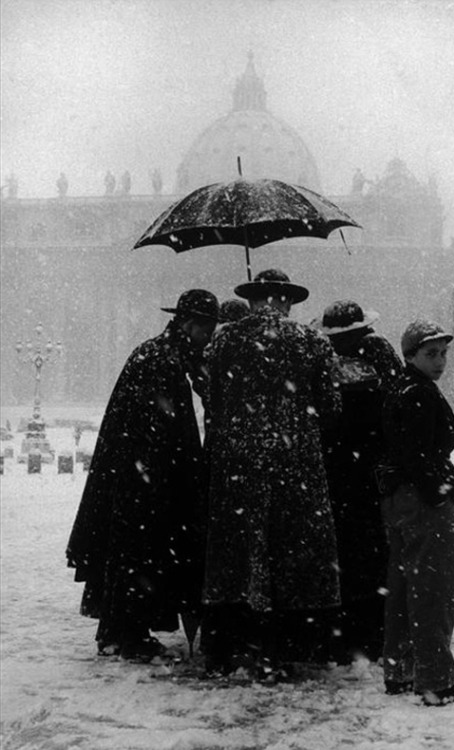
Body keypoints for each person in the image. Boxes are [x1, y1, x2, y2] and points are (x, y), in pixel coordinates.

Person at [202, 268, 342, 678]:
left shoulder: (224, 340)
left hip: (236, 466)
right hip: (293, 466)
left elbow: (213, 402)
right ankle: (275, 650)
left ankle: (223, 648)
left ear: (250, 301)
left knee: (234, 555)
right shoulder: (312, 342)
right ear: (287, 301)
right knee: (286, 555)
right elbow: (331, 407)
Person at [66, 289, 219, 662]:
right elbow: (164, 429)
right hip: (144, 481)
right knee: (138, 556)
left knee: (132, 555)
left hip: (135, 477)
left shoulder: (161, 354)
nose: (209, 338)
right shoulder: (160, 361)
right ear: (190, 324)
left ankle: (120, 632)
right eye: (207, 330)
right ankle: (127, 635)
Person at [379, 319, 454, 706]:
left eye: (443, 353)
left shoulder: (401, 389)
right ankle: (435, 680)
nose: (441, 361)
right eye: (431, 354)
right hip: (423, 501)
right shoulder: (419, 394)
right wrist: (437, 491)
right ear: (411, 356)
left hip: (401, 499)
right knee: (434, 590)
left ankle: (400, 669)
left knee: (404, 585)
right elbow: (417, 454)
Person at [316, 300, 403, 663]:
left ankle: (342, 635)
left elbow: (322, 414)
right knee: (372, 552)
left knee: (342, 554)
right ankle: (374, 633)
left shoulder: (323, 358)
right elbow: (395, 405)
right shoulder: (379, 353)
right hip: (370, 472)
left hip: (336, 473)